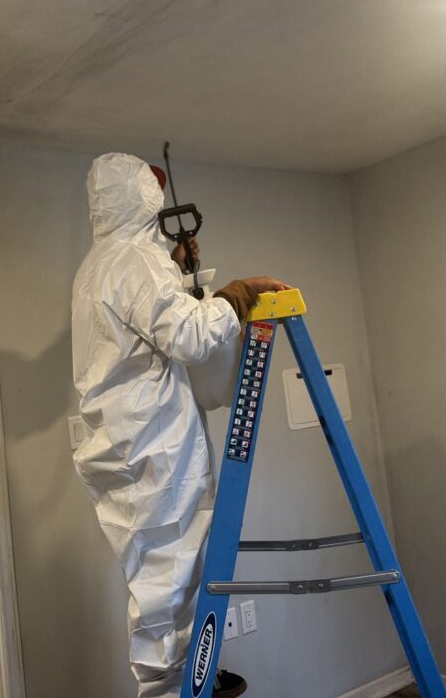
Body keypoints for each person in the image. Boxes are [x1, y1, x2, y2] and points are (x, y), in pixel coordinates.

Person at [71, 152, 290, 698]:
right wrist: (237, 295)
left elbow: (145, 324)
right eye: (153, 188)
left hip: (124, 447)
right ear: (143, 196)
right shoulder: (134, 263)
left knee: (157, 579)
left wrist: (170, 263)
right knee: (168, 588)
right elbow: (190, 336)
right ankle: (172, 692)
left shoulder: (99, 264)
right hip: (155, 450)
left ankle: (187, 680)